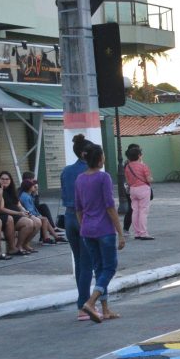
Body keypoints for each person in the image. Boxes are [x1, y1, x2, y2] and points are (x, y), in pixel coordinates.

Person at [74, 145, 127, 321]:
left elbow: (78, 209)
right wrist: (120, 232)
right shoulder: (104, 178)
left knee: (99, 268)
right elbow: (110, 206)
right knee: (110, 268)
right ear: (99, 159)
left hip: (87, 230)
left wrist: (84, 227)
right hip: (104, 229)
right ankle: (90, 302)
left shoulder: (80, 179)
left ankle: (105, 309)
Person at [60, 134, 93, 320]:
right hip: (84, 218)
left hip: (69, 217)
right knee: (87, 263)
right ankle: (84, 305)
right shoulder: (89, 172)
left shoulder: (66, 171)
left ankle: (83, 304)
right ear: (85, 153)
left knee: (80, 262)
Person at [122, 144, 153, 240]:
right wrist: (151, 179)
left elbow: (127, 181)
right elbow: (148, 179)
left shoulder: (127, 167)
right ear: (139, 155)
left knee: (135, 211)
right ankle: (143, 233)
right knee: (143, 211)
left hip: (133, 190)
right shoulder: (143, 166)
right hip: (143, 189)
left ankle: (137, 233)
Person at [19, 178, 61, 244]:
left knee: (44, 219)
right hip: (28, 215)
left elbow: (34, 207)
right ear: (29, 187)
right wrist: (37, 215)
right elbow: (30, 209)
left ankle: (54, 237)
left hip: (30, 214)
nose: (35, 188)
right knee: (44, 219)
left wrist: (36, 194)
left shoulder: (28, 195)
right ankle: (49, 238)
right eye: (34, 186)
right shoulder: (26, 197)